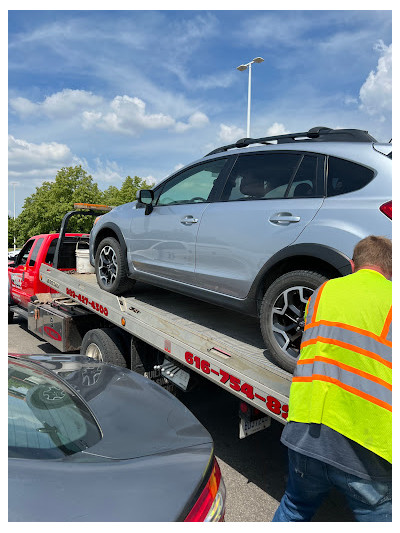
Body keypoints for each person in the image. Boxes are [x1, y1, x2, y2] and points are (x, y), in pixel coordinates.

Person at [273, 235, 392, 522]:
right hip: (366, 444)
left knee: (294, 507)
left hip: (305, 430)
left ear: (353, 264)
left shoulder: (322, 291)